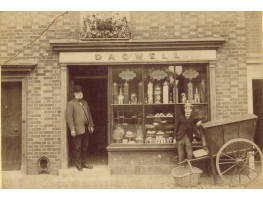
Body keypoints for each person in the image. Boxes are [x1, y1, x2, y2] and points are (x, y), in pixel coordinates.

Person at [66, 85, 94, 171]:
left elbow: (89, 115)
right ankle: (78, 164)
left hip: (86, 128)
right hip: (77, 129)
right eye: (78, 93)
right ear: (74, 94)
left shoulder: (85, 102)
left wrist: (91, 125)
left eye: (81, 92)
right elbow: (69, 117)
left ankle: (84, 163)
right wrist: (72, 129)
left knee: (85, 147)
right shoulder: (70, 104)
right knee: (77, 147)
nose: (80, 94)